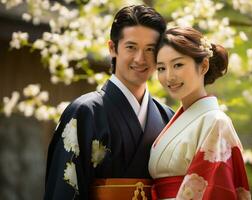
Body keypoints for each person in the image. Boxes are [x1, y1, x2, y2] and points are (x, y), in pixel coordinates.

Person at [44, 5, 174, 200]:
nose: (140, 58)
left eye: (150, 49)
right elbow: (63, 191)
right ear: (113, 48)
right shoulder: (85, 113)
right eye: (131, 47)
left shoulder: (168, 118)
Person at [149, 27, 251, 200]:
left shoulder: (215, 122)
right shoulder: (178, 119)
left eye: (178, 65)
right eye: (161, 68)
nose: (169, 77)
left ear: (203, 65)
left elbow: (216, 189)